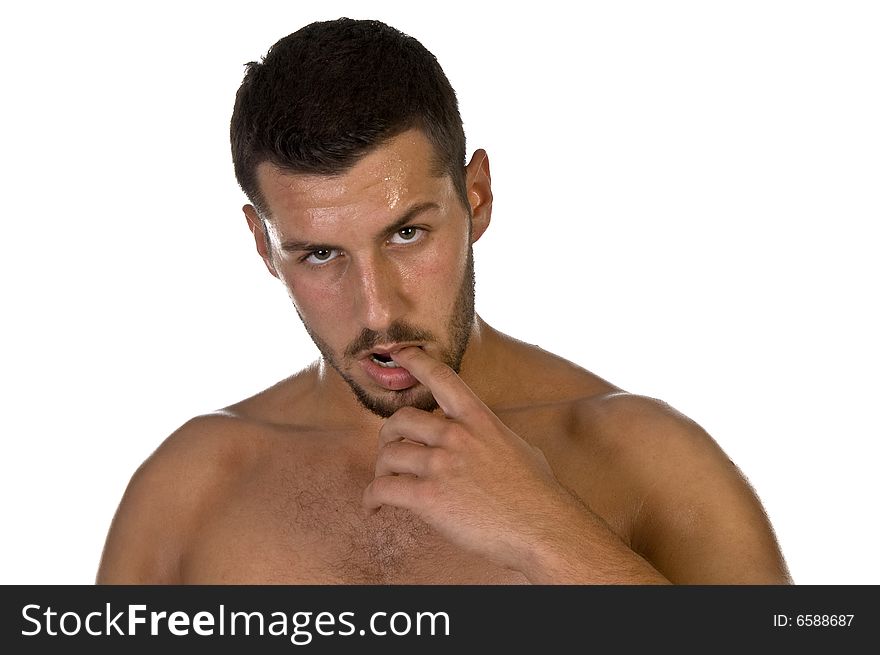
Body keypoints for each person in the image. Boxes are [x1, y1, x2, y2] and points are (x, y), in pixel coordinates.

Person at [96, 18, 791, 584]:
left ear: (476, 196)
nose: (376, 311)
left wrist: (547, 531)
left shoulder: (650, 461)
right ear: (261, 243)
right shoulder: (190, 490)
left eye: (406, 233)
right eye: (320, 254)